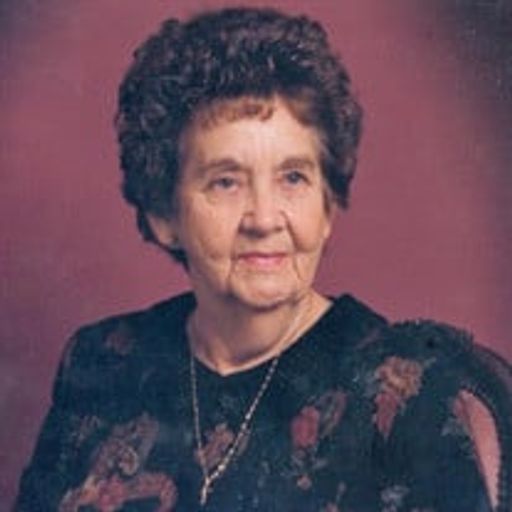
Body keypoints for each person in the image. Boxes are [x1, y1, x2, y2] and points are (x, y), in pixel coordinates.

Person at [15, 6, 512, 512]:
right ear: (163, 214)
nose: (265, 219)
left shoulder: (410, 394)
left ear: (327, 208)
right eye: (226, 182)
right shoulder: (103, 363)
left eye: (293, 178)